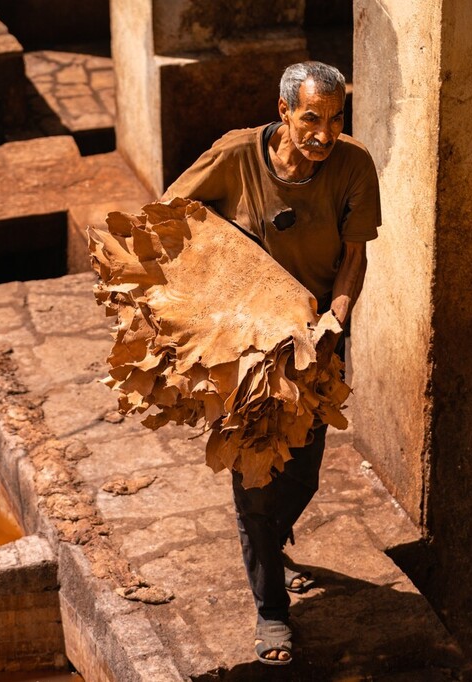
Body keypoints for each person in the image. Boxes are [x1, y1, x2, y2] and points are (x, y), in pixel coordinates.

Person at [160, 61, 382, 666]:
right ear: (284, 112)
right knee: (255, 482)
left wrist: (334, 320)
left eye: (336, 119)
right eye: (312, 117)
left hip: (316, 340)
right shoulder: (235, 156)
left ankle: (268, 538)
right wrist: (212, 299)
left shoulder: (354, 166)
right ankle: (272, 612)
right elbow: (169, 215)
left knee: (303, 475)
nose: (324, 133)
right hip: (245, 347)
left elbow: (354, 257)